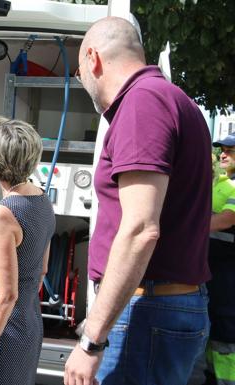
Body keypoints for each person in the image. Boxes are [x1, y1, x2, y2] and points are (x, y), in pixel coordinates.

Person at [64, 16, 212, 385]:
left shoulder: (142, 104)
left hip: (148, 311)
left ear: (93, 58)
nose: (82, 82)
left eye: (80, 71)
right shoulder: (174, 100)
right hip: (164, 307)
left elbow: (140, 229)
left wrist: (91, 341)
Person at [0, 116, 55, 385]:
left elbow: (6, 295)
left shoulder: (3, 215)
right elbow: (42, 270)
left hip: (3, 330)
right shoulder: (42, 200)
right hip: (28, 321)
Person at [204, 134, 235, 385]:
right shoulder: (223, 183)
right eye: (222, 150)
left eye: (230, 151)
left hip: (229, 271)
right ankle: (213, 377)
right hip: (215, 268)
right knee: (215, 324)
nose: (223, 155)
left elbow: (227, 219)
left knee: (226, 327)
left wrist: (187, 225)